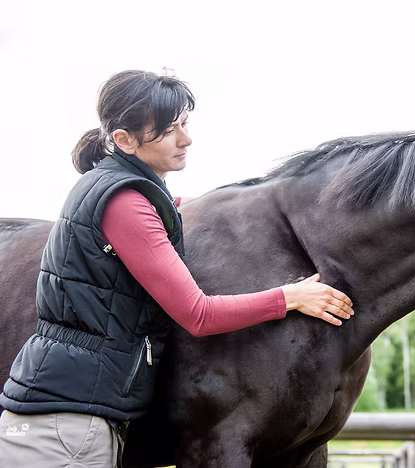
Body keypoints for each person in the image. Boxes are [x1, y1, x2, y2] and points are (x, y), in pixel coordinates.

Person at [0, 70, 354, 467]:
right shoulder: (124, 205)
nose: (186, 139)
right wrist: (291, 296)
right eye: (169, 130)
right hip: (65, 429)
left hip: (75, 416)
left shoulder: (127, 192)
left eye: (184, 124)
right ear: (125, 140)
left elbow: (179, 210)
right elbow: (198, 315)